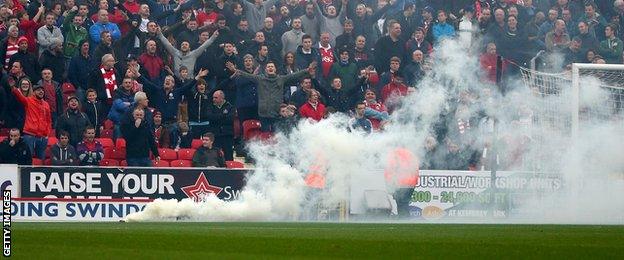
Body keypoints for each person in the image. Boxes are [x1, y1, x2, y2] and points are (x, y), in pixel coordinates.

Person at [226, 60, 316, 131]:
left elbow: (294, 75)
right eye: (268, 67)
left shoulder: (281, 79)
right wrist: (235, 70)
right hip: (263, 114)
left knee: (276, 136)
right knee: (266, 136)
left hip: (277, 113)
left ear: (275, 69)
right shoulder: (260, 79)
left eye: (272, 66)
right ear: (265, 69)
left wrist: (307, 70)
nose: (270, 68)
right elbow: (247, 75)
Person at [6, 81, 51, 160]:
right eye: (38, 90)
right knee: (28, 157)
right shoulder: (28, 101)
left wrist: (47, 133)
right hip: (30, 134)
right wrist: (13, 88)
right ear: (33, 92)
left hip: (43, 136)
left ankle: (41, 171)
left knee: (41, 158)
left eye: (42, 90)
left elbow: (48, 120)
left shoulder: (46, 104)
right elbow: (20, 96)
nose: (41, 91)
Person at [207, 90, 235, 161]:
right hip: (215, 135)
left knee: (228, 155)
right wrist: (223, 115)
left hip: (227, 135)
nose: (213, 99)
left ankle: (230, 171)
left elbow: (230, 119)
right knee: (215, 155)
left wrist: (217, 118)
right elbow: (210, 117)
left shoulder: (230, 107)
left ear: (222, 98)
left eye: (216, 98)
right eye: (213, 98)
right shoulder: (210, 107)